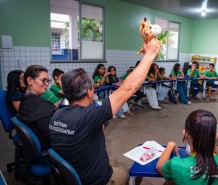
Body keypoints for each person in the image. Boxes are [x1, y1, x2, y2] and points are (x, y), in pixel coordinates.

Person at [49, 37, 161, 185]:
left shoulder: (57, 114)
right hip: (96, 180)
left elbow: (86, 125)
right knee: (133, 172)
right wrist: (150, 55)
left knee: (112, 161)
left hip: (74, 171)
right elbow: (129, 88)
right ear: (89, 92)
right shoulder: (89, 115)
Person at [156, 109, 218, 185]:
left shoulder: (176, 165)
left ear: (185, 134)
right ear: (216, 136)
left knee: (169, 182)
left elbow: (159, 167)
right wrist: (209, 139)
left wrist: (170, 145)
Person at [17, 65, 56, 151]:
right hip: (47, 150)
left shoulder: (26, 99)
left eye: (48, 81)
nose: (46, 84)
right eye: (43, 80)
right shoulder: (38, 106)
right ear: (30, 80)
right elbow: (53, 137)